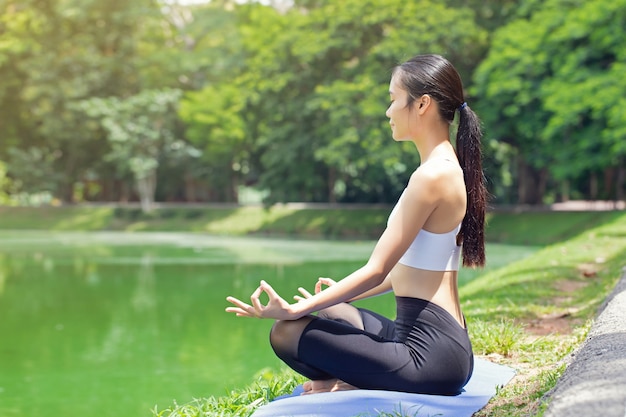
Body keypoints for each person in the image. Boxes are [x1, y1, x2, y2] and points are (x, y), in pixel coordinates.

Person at [226, 54, 486, 396]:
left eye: (393, 100)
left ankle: (346, 382)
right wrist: (332, 299)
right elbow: (402, 273)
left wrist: (295, 309)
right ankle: (344, 379)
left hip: (431, 357)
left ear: (421, 104)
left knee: (285, 331)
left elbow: (377, 269)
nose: (388, 112)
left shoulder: (431, 177)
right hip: (436, 344)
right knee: (335, 311)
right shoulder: (444, 167)